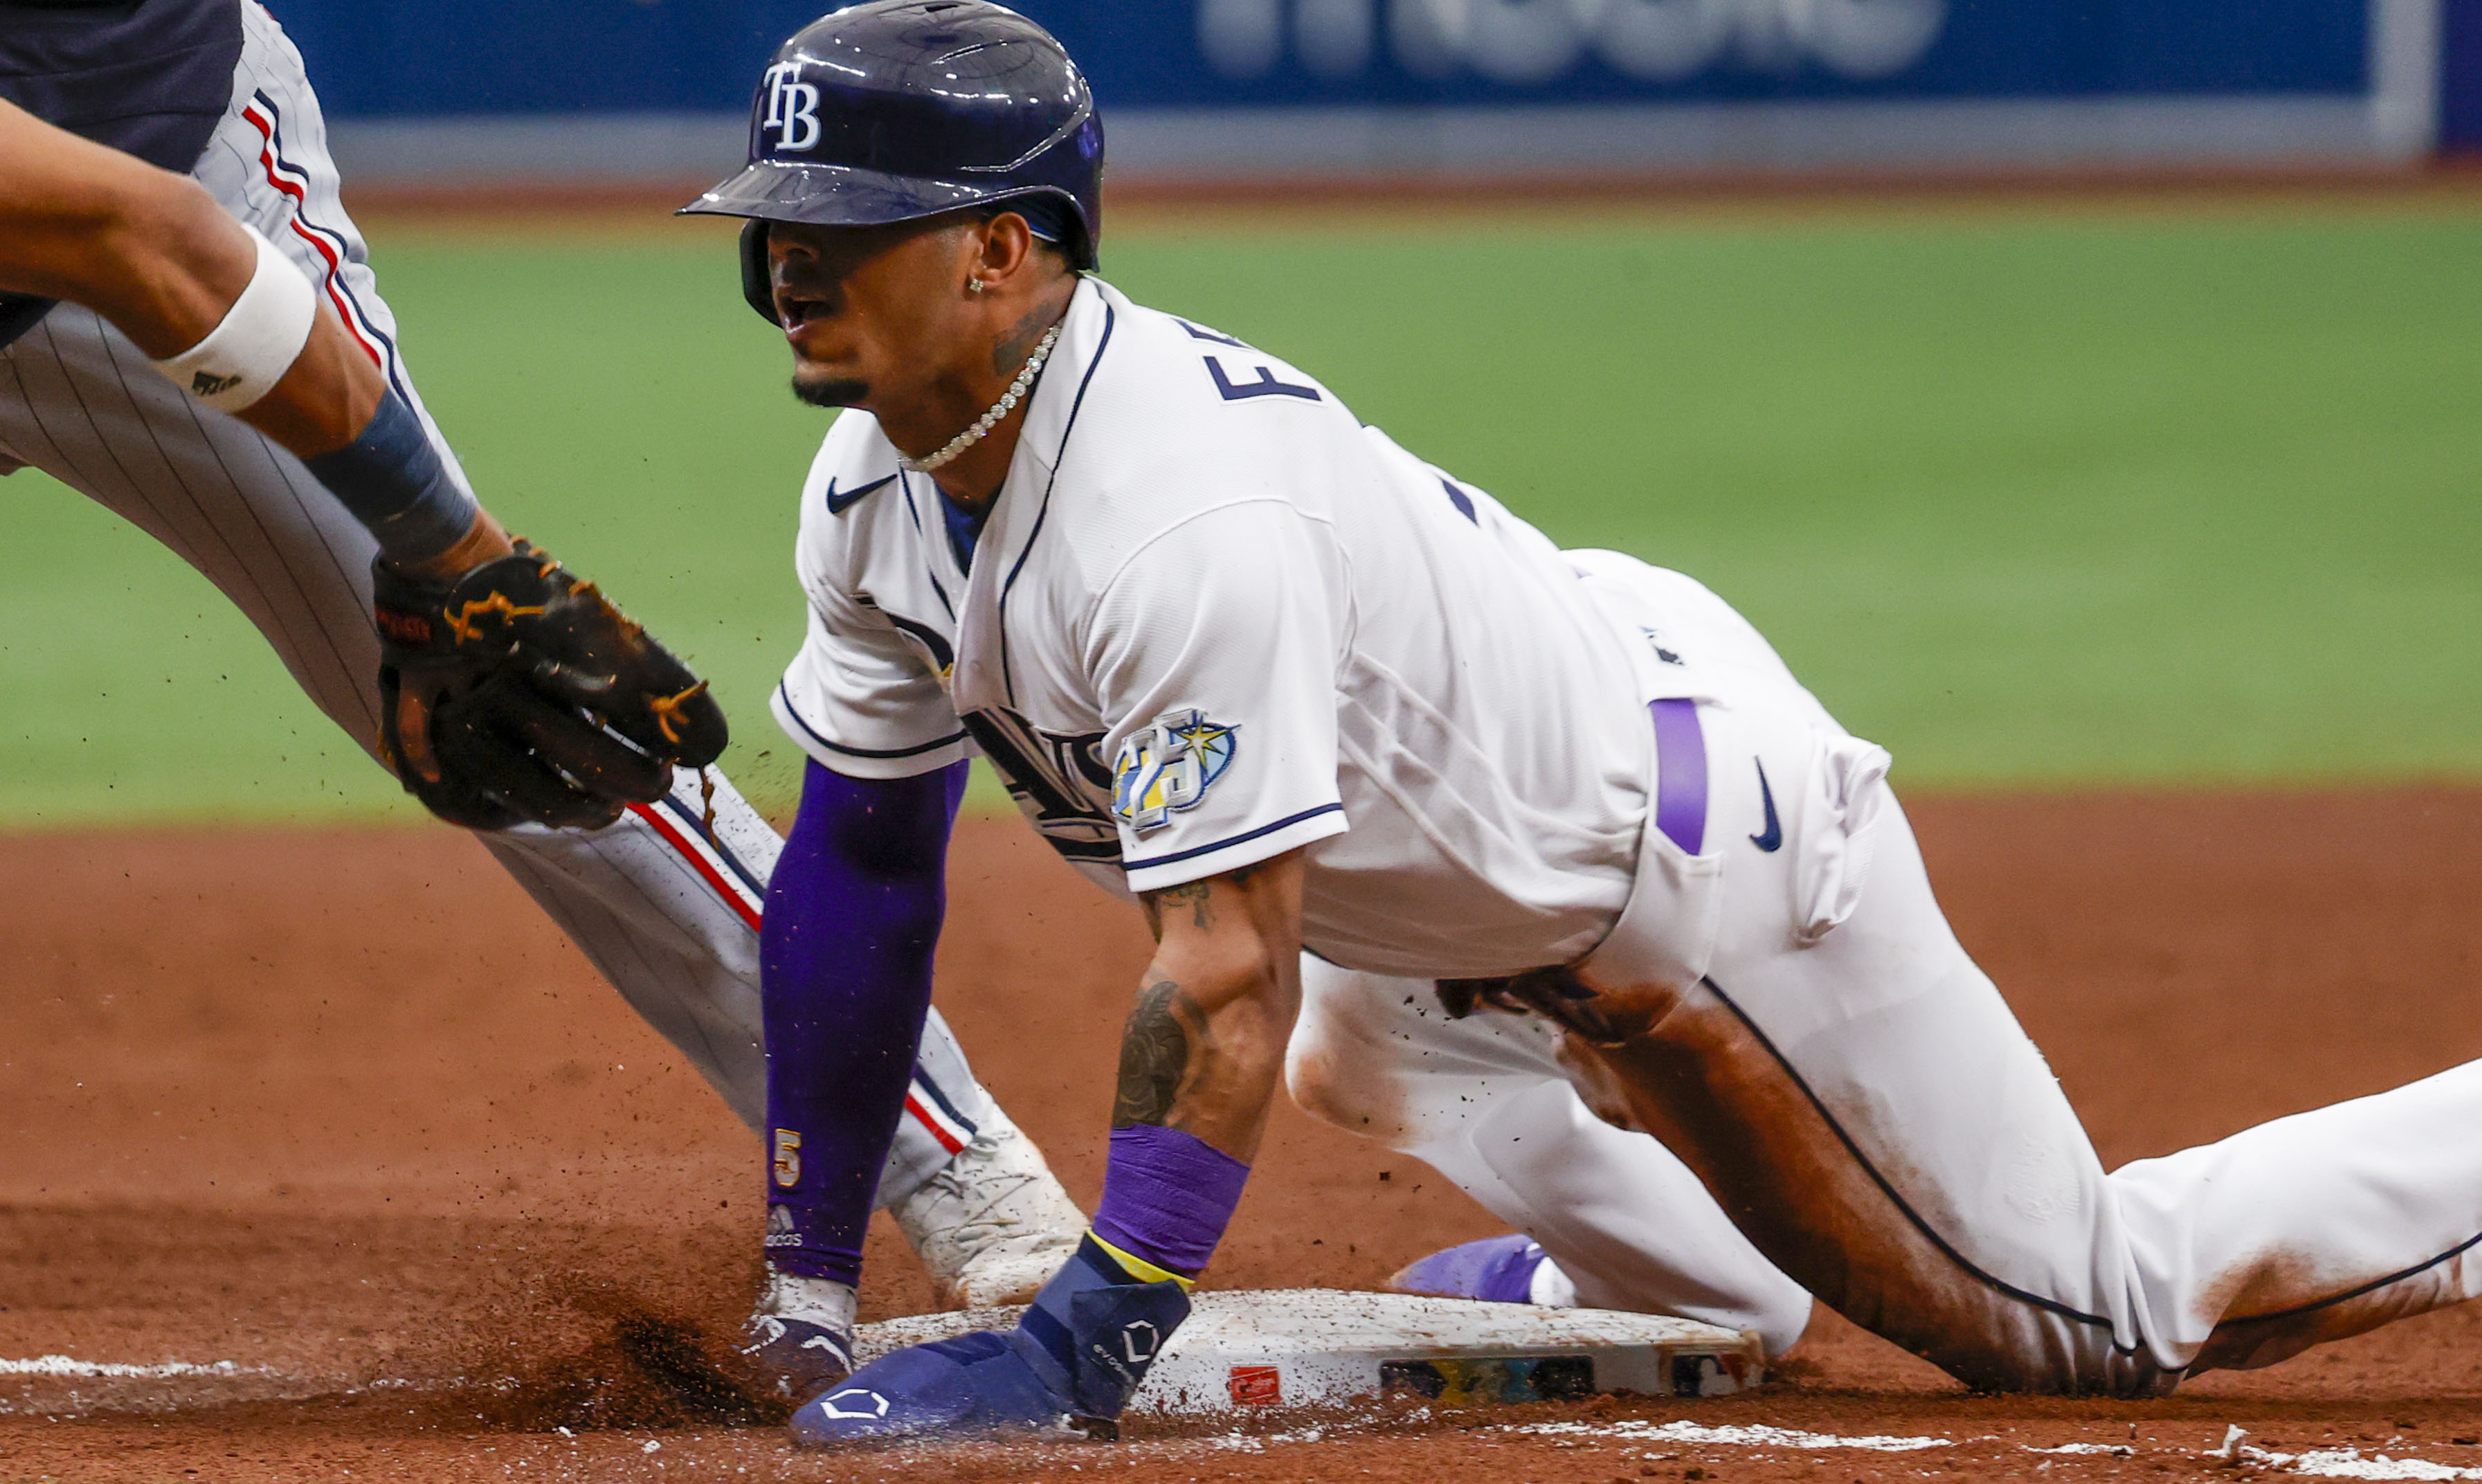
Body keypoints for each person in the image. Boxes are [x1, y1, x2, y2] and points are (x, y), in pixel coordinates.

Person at [693, 0, 2482, 1445]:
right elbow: (861, 862)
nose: (785, 260)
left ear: (1003, 252)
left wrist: (1086, 1341)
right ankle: (1714, 1290)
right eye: (774, 222)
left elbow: (1219, 965)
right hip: (1515, 787)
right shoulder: (879, 484)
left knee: (2094, 1318)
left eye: (843, 227)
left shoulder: (1173, 526)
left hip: (1700, 864)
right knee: (1364, 1042)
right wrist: (804, 1287)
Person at [0, 0, 1083, 1401]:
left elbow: (155, 246)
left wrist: (449, 550)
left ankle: (971, 1186)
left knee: (523, 716)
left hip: (140, 162)